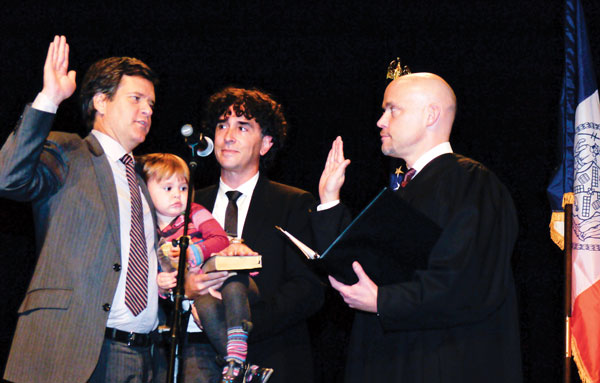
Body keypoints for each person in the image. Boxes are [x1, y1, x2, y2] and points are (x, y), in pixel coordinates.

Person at [0, 36, 229, 383]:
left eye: (151, 103)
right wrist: (48, 99)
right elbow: (9, 177)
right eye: (136, 98)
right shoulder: (68, 151)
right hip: (74, 349)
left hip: (145, 354)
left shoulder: (144, 178)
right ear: (101, 102)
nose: (148, 110)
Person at [320, 73, 522, 382]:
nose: (380, 121)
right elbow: (357, 267)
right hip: (391, 359)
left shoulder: (471, 182)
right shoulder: (409, 188)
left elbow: (469, 284)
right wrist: (329, 201)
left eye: (392, 109)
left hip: (439, 363)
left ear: (431, 114)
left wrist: (382, 301)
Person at [184, 86, 325, 383]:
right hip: (193, 359)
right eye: (222, 125)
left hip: (269, 357)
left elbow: (307, 290)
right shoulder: (187, 203)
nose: (228, 136)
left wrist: (237, 327)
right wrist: (185, 292)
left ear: (265, 144)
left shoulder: (294, 203)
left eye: (242, 126)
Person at [137, 152, 271, 383]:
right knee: (206, 309)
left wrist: (192, 252)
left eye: (183, 188)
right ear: (145, 191)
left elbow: (219, 238)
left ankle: (238, 345)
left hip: (232, 278)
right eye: (168, 189)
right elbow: (152, 269)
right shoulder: (147, 231)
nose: (178, 196)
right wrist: (161, 284)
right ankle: (240, 367)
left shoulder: (194, 212)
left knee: (232, 288)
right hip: (203, 294)